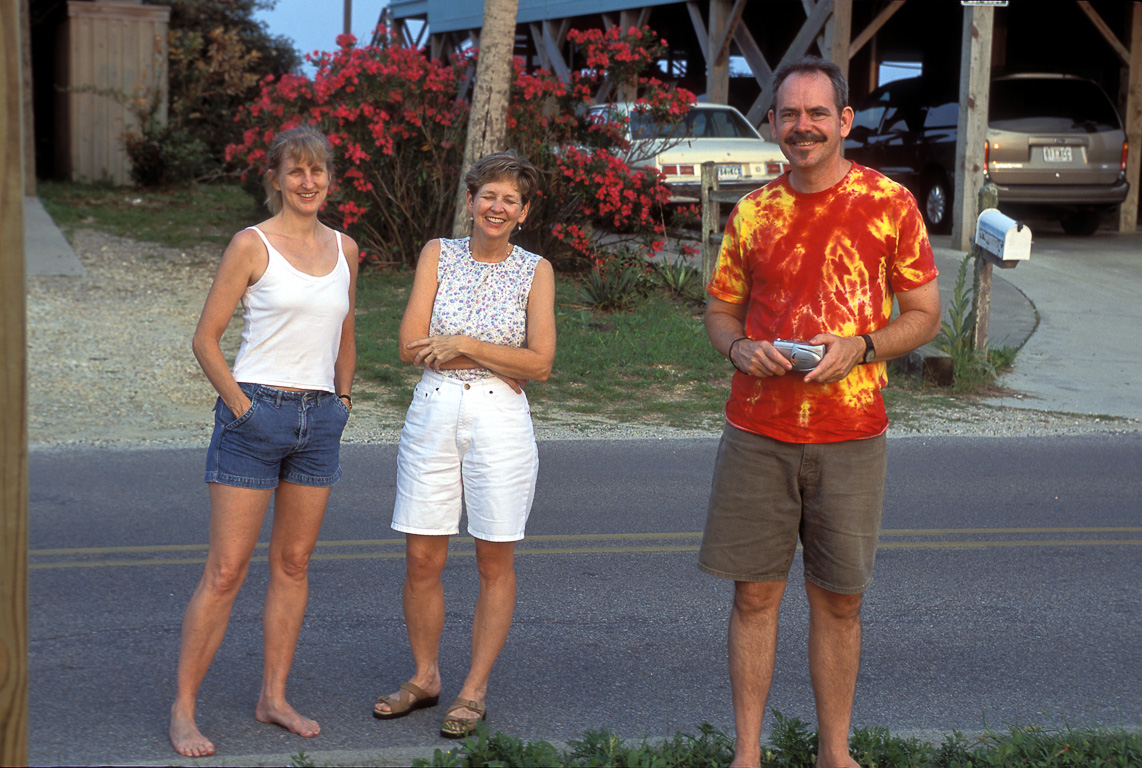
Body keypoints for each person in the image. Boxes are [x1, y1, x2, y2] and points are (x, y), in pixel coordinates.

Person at [699, 57, 941, 768]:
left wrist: (864, 345)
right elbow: (719, 310)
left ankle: (834, 755)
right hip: (757, 431)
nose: (801, 126)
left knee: (840, 603)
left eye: (816, 113)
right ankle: (749, 754)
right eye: (788, 114)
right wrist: (740, 347)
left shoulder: (888, 204)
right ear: (772, 123)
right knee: (753, 600)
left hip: (852, 435)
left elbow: (924, 314)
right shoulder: (755, 211)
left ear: (844, 121)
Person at [169, 125, 359, 758]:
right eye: (296, 171)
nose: (309, 182)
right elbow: (206, 338)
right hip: (255, 419)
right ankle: (184, 710)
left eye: (319, 171)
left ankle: (273, 697)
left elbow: (345, 333)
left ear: (330, 179)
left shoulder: (346, 249)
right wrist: (243, 408)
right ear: (275, 178)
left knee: (294, 565)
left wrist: (343, 401)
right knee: (224, 573)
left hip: (319, 423)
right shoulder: (250, 245)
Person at [372, 150, 556, 738]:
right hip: (434, 411)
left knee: (492, 557)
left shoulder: (536, 270)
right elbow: (408, 346)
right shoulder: (438, 254)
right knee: (423, 557)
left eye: (511, 200)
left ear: (523, 211)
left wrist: (461, 343)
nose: (497, 207)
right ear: (471, 201)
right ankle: (425, 677)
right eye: (488, 196)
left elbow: (541, 363)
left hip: (501, 419)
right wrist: (497, 356)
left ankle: (473, 690)